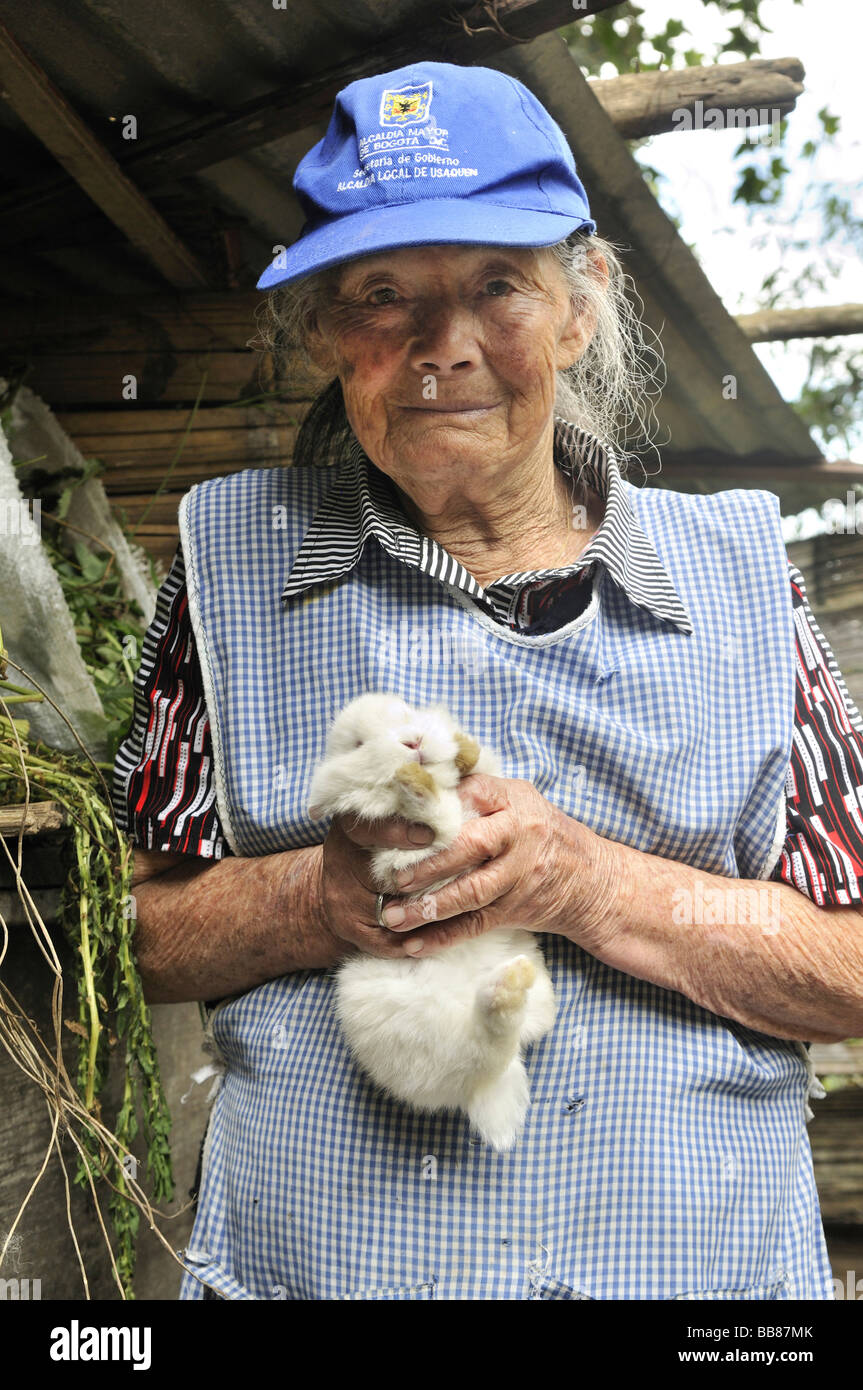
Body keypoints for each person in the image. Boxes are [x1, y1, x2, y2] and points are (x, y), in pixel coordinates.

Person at [113, 60, 863, 1301]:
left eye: (497, 286)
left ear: (579, 310)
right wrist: (318, 898)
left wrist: (587, 882)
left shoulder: (738, 580)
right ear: (319, 330)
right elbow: (138, 927)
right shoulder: (227, 565)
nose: (441, 347)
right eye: (382, 293)